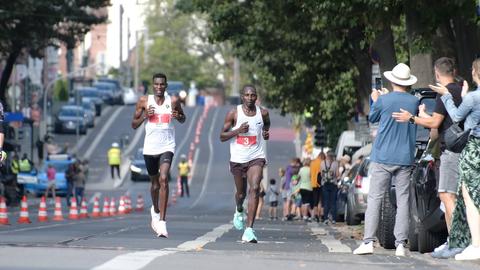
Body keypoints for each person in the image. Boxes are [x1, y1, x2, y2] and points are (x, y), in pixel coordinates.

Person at [391, 57, 464, 258]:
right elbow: (436, 129)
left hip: (451, 152)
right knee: (460, 197)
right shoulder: (463, 91)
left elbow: (434, 123)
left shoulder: (444, 94)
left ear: (437, 73)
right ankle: (458, 239)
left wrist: (413, 118)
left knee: (447, 195)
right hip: (465, 150)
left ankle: (456, 240)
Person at [353, 63, 419, 257]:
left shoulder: (383, 100)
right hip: (405, 156)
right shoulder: (413, 102)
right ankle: (400, 244)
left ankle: (368, 242)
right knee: (403, 199)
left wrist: (375, 100)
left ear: (392, 81)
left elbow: (372, 118)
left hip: (383, 156)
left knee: (375, 199)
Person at [429, 58, 480, 260]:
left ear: (475, 73)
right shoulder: (469, 96)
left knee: (468, 196)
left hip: (473, 149)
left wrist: (447, 96)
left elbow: (457, 117)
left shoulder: (473, 98)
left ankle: (474, 244)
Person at [131, 73, 186, 238]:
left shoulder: (173, 101)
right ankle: (155, 209)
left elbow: (183, 118)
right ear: (153, 86)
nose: (159, 87)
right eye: (156, 84)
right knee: (155, 184)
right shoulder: (144, 101)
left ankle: (162, 221)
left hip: (167, 146)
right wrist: (145, 117)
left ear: (166, 86)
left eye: (162, 84)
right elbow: (133, 124)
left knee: (164, 179)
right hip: (150, 148)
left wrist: (179, 116)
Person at [220, 84, 270, 243]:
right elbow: (222, 136)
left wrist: (265, 132)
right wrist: (238, 131)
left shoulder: (263, 113)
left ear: (256, 97)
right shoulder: (234, 113)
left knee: (255, 188)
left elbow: (267, 124)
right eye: (247, 95)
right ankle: (239, 209)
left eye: (253, 95)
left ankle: (249, 230)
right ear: (242, 96)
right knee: (241, 194)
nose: (250, 98)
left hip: (256, 156)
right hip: (238, 159)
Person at [321, 151, 339, 224]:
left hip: (325, 184)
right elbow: (337, 175)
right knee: (333, 202)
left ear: (327, 156)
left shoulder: (322, 163)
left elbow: (321, 174)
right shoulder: (336, 163)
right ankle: (333, 218)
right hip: (333, 184)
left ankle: (325, 218)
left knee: (326, 202)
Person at [310, 152, 325, 222]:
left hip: (313, 183)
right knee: (321, 200)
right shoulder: (322, 163)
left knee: (315, 201)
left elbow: (310, 173)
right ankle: (321, 215)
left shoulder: (312, 163)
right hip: (320, 184)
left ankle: (315, 214)